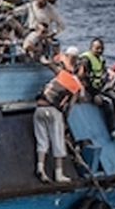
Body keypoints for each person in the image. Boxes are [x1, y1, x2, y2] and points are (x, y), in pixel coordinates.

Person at [34, 54, 80, 183]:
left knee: (42, 140)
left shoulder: (61, 75)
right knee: (57, 141)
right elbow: (69, 105)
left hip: (39, 108)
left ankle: (40, 168)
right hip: (53, 111)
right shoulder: (76, 86)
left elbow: (50, 65)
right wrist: (65, 119)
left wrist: (43, 59)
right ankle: (59, 174)